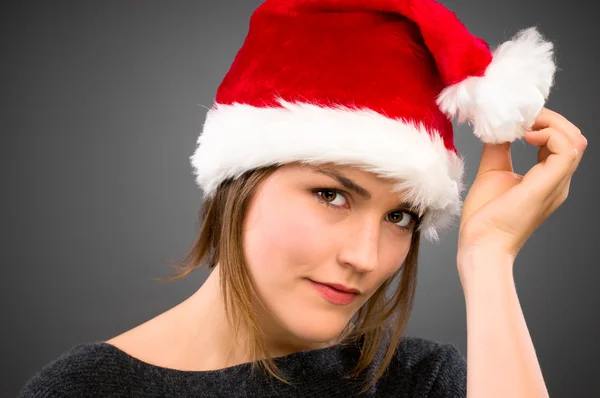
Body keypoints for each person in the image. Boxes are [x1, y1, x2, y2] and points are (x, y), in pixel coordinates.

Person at [20, 0, 587, 397]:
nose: (366, 257)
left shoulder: (419, 380)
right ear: (238, 182)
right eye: (331, 195)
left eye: (400, 215)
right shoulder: (85, 388)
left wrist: (488, 259)